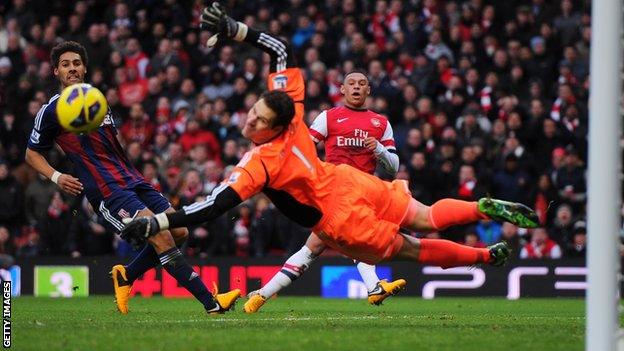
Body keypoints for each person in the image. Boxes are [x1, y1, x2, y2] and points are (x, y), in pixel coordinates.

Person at [122, 3, 539, 312]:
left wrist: (157, 221)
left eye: (257, 119)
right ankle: (480, 209)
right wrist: (237, 30)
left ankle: (485, 257)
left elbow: (211, 207)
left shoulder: (257, 165)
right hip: (352, 180)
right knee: (426, 215)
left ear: (271, 128)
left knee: (415, 249)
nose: (250, 120)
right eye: (253, 112)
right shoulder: (296, 116)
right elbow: (280, 50)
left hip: (338, 217)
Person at [25, 41, 240, 314]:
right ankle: (212, 303)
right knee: (161, 237)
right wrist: (56, 177)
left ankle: (126, 275)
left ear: (85, 68)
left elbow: (114, 143)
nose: (72, 69)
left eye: (76, 63)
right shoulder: (52, 111)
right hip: (107, 189)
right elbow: (31, 154)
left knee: (180, 231)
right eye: (65, 65)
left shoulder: (96, 100)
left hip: (133, 178)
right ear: (55, 71)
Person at [245, 69, 406, 313]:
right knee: (356, 240)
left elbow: (394, 168)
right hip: (335, 191)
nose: (356, 87)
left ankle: (262, 294)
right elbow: (305, 149)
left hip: (366, 192)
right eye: (351, 83)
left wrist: (380, 151)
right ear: (342, 89)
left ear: (368, 90)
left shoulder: (381, 123)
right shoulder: (328, 117)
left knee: (316, 246)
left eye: (362, 84)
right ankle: (374, 287)